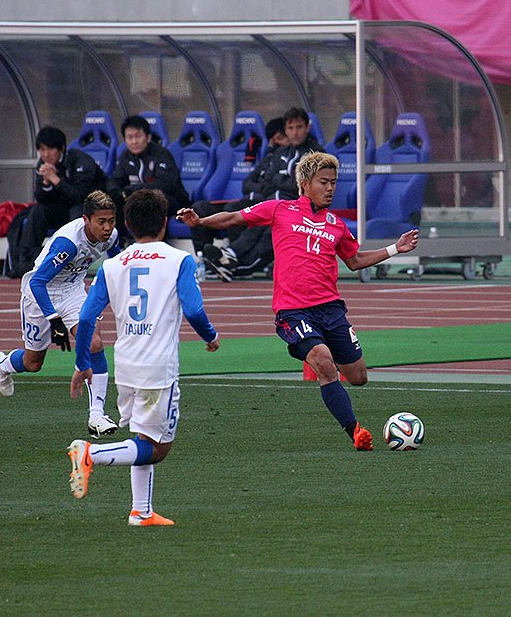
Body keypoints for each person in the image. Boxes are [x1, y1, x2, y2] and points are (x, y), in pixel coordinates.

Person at [177, 152, 419, 450]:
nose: (330, 188)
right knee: (324, 362)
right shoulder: (279, 209)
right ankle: (355, 431)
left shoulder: (336, 224)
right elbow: (234, 217)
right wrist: (200, 221)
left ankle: (314, 348)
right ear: (304, 183)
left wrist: (395, 249)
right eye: (323, 182)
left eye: (333, 182)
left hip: (331, 309)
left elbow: (354, 260)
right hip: (293, 311)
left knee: (358, 377)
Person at [67, 188, 219, 526]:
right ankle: (91, 453)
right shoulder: (179, 260)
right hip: (157, 368)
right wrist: (211, 337)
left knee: (143, 437)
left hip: (126, 365)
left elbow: (87, 317)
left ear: (127, 224)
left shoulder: (112, 265)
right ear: (164, 222)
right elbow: (194, 310)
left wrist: (82, 363)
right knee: (158, 448)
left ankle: (141, 511)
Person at [0, 190, 122, 438]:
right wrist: (54, 320)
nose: (107, 228)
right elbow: (37, 282)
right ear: (86, 220)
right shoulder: (68, 243)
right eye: (101, 222)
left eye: (111, 221)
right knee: (33, 363)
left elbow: (119, 264)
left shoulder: (111, 236)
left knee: (94, 343)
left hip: (73, 291)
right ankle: (3, 364)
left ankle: (97, 415)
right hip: (40, 294)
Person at [200, 107, 326, 281]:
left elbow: (304, 187)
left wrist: (279, 180)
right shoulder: (281, 152)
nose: (295, 132)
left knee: (270, 232)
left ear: (307, 128)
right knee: (256, 218)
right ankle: (230, 257)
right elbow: (267, 181)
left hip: (302, 210)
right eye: (290, 128)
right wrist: (283, 181)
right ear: (286, 130)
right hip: (275, 206)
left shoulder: (317, 154)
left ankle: (233, 265)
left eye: (299, 127)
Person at [14, 126, 106, 277]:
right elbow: (41, 198)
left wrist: (55, 180)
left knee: (77, 210)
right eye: (42, 150)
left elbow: (81, 197)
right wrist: (45, 183)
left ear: (61, 148)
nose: (46, 154)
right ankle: (28, 259)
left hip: (86, 211)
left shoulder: (81, 161)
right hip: (62, 210)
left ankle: (74, 257)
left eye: (50, 149)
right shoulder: (43, 164)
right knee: (37, 210)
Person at [188, 116, 287, 256]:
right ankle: (203, 257)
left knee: (233, 209)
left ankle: (232, 259)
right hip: (245, 200)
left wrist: (257, 189)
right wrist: (259, 188)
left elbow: (271, 187)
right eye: (272, 140)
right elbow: (246, 184)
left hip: (261, 205)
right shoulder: (268, 158)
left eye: (280, 138)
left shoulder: (288, 161)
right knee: (199, 208)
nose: (275, 143)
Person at [106, 114, 190, 244]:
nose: (134, 141)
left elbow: (164, 184)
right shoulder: (125, 157)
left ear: (148, 137)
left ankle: (155, 245)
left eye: (138, 136)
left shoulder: (161, 154)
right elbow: (114, 180)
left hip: (171, 201)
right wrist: (119, 193)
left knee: (154, 202)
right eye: (129, 137)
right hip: (139, 201)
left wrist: (131, 191)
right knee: (114, 202)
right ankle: (118, 245)